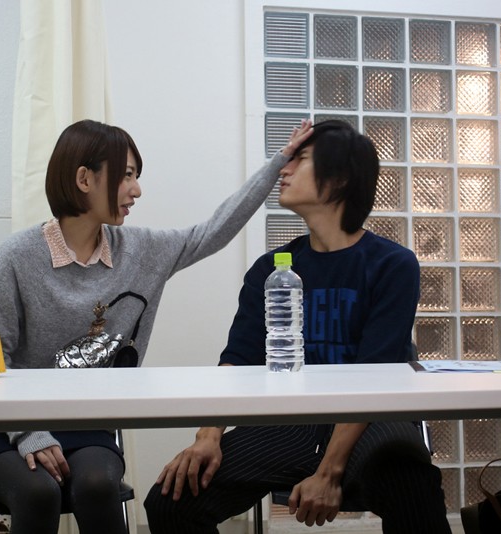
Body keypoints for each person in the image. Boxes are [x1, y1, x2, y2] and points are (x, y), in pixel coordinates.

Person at [0, 118, 314, 534]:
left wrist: (277, 164)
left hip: (84, 427)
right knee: (39, 492)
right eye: (126, 175)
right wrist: (28, 432)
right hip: (4, 428)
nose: (137, 190)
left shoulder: (141, 251)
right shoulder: (17, 256)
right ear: (84, 179)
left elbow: (213, 231)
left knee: (97, 486)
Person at [144, 120, 452, 533]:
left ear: (340, 179)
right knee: (171, 500)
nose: (284, 170)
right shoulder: (270, 270)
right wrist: (208, 435)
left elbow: (373, 375)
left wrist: (329, 472)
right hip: (293, 421)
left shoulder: (392, 264)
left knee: (411, 482)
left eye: (300, 160)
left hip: (371, 418)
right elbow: (238, 359)